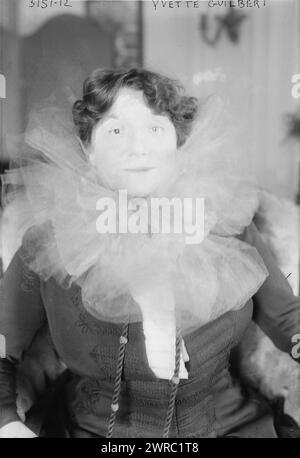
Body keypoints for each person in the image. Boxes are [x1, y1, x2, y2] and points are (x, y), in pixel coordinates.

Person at [0, 67, 299, 438]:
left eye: (155, 128)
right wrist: (5, 422)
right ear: (88, 148)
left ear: (178, 143)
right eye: (115, 130)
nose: (137, 146)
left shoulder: (226, 224)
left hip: (231, 427)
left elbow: (289, 319)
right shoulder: (48, 242)